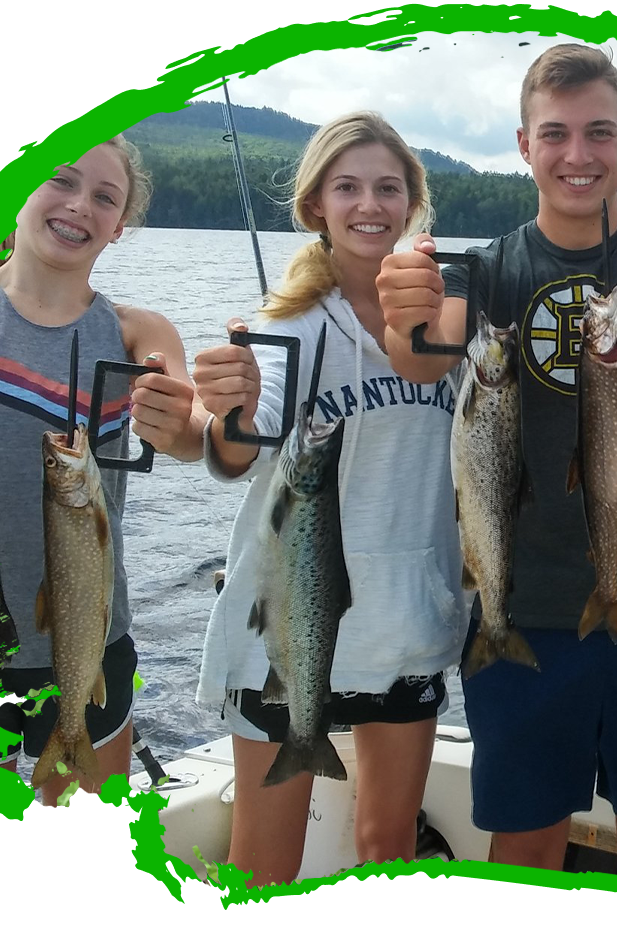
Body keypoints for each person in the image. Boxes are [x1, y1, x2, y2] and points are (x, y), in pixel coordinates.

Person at [377, 43, 617, 877]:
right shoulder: (491, 268)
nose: (577, 156)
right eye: (556, 135)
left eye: (597, 133)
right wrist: (405, 312)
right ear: (523, 145)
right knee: (525, 845)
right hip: (526, 605)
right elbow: (427, 353)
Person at [192, 111, 468, 886]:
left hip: (405, 627)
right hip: (280, 633)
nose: (368, 204)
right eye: (346, 187)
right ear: (316, 203)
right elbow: (244, 441)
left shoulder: (450, 326)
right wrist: (234, 408)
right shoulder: (287, 326)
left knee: (388, 851)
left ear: (411, 202)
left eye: (387, 187)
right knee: (261, 873)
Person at [0, 135, 205, 831]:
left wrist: (180, 414)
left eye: (104, 197)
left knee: (85, 853)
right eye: (60, 181)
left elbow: (189, 429)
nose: (79, 206)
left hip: (87, 640)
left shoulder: (133, 331)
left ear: (121, 225)